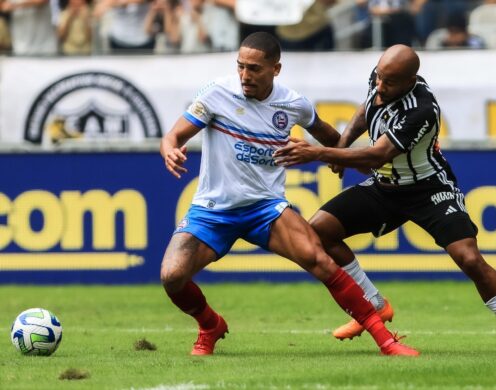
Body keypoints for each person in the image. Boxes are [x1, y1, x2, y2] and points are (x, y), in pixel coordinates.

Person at [273, 44, 496, 356]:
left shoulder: (421, 108)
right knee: (319, 231)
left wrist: (318, 152)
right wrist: (343, 143)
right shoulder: (381, 81)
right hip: (385, 187)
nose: (380, 85)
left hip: (428, 189)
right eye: (378, 77)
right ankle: (374, 303)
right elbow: (365, 111)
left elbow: (378, 155)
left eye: (389, 82)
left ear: (409, 80)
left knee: (469, 258)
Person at [159, 32, 419, 357]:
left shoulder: (293, 103)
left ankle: (386, 341)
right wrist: (170, 150)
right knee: (172, 276)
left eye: (254, 69)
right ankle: (210, 325)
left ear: (276, 69)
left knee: (321, 261)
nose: (244, 76)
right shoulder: (216, 94)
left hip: (266, 208)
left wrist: (353, 162)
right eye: (240, 67)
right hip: (213, 210)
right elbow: (173, 135)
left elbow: (330, 138)